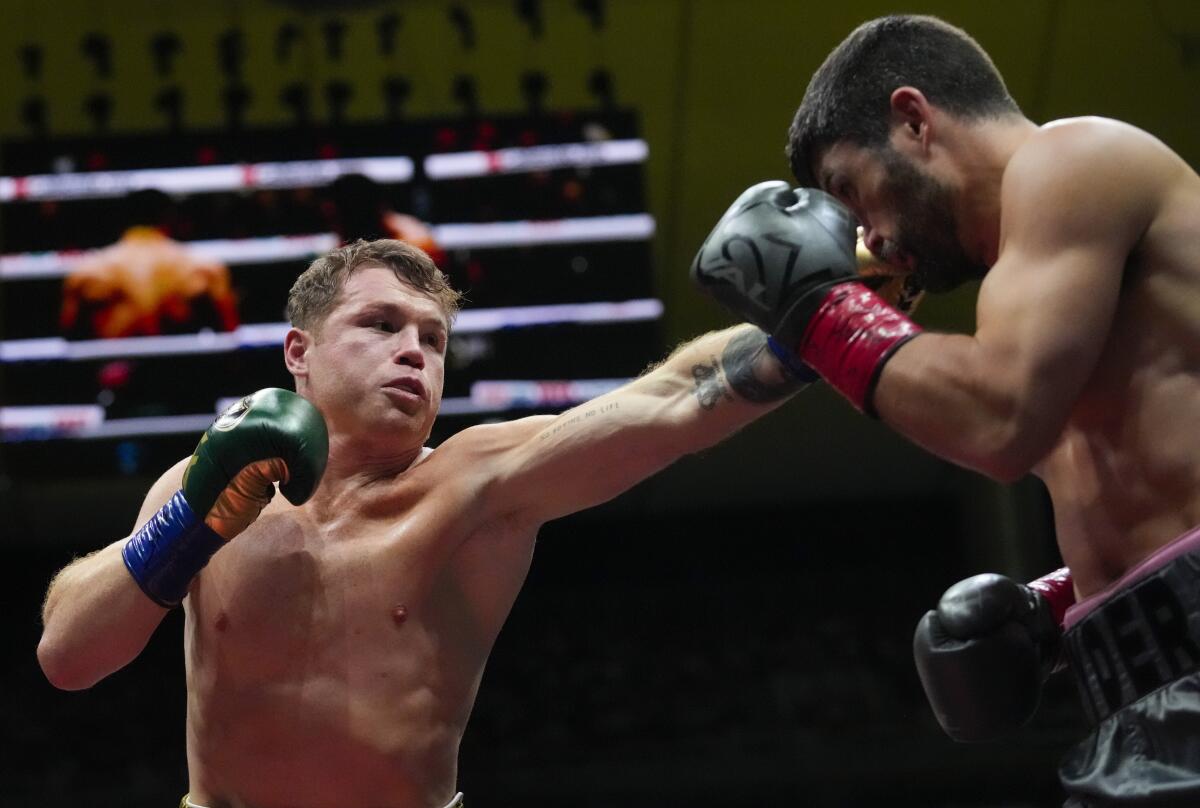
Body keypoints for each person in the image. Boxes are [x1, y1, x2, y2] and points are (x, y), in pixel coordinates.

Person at [38, 238, 826, 807]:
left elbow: (668, 403)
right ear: (297, 352)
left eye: (434, 338)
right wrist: (190, 523)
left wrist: (823, 320)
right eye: (382, 326)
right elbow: (68, 656)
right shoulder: (206, 486)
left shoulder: (476, 487)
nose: (415, 352)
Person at [691, 14, 1200, 805]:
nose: (866, 239)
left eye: (850, 191)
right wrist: (1060, 612)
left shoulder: (1074, 158)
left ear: (914, 119)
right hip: (1143, 707)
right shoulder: (1034, 297)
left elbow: (997, 423)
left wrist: (815, 309)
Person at [60, 189, 239, 339]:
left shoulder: (88, 271)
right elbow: (229, 333)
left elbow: (69, 335)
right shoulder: (202, 267)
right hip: (182, 370)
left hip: (115, 368)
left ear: (122, 219)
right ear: (169, 218)